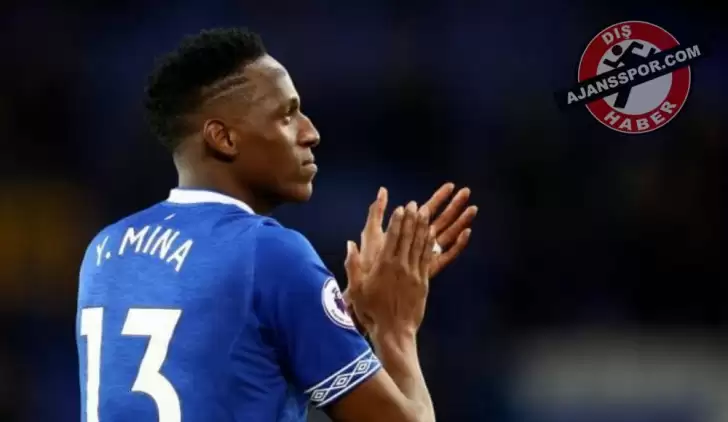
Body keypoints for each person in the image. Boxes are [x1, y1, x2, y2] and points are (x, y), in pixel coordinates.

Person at [76, 27, 476, 422]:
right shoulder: (270, 253)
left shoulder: (104, 250)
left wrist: (345, 316)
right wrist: (393, 326)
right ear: (223, 138)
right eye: (287, 115)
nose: (311, 133)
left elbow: (225, 363)